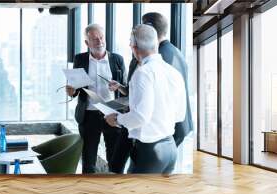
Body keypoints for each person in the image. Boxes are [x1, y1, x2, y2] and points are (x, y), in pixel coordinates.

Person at [109, 12, 193, 173]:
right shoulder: (172, 71)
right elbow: (179, 115)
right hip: (170, 150)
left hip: (150, 151)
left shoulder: (143, 72)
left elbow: (140, 117)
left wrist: (117, 119)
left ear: (133, 47)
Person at [66, 24, 126, 174]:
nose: (99, 41)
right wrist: (71, 91)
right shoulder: (80, 59)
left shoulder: (117, 59)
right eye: (94, 39)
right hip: (88, 115)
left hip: (112, 114)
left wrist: (118, 86)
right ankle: (87, 193)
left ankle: (114, 192)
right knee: (88, 161)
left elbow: (126, 89)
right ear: (87, 43)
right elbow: (76, 88)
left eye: (101, 37)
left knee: (114, 159)